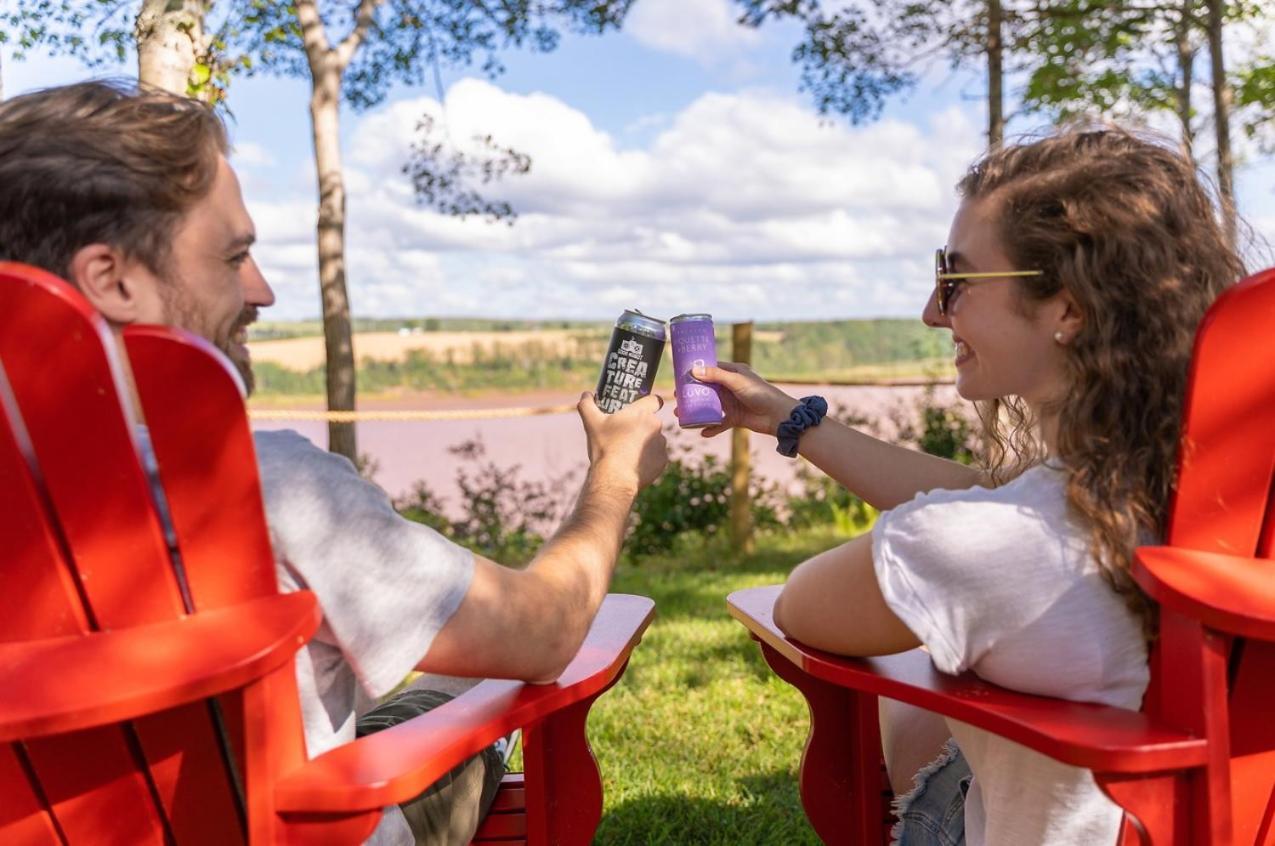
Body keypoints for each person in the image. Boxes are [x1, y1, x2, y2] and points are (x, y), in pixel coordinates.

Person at [0, 79, 668, 846]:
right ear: (113, 279)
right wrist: (614, 474)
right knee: (467, 689)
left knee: (442, 670)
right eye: (235, 255)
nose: (264, 291)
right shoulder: (259, 487)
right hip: (295, 825)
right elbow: (545, 634)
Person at [688, 128, 1244, 845]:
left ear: (1067, 309)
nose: (931, 311)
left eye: (956, 281)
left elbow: (805, 605)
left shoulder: (996, 545)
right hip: (1210, 818)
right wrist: (792, 421)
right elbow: (987, 493)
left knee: (926, 661)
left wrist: (934, 563)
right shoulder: (1195, 488)